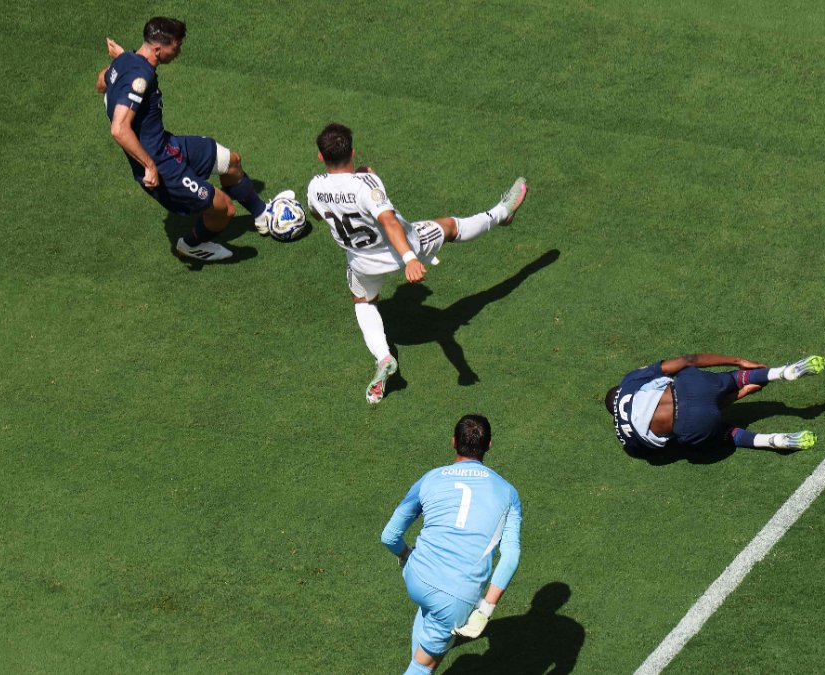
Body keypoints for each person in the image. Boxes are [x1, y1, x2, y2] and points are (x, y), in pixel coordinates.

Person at [306, 123, 527, 403]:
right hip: (403, 249)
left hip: (362, 263)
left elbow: (318, 213)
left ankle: (383, 357)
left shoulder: (315, 186)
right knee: (448, 227)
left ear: (320, 157)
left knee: (363, 302)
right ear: (352, 151)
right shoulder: (367, 184)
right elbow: (387, 220)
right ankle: (501, 214)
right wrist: (409, 259)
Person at [95, 17, 287, 261]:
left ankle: (262, 216)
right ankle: (191, 244)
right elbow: (119, 129)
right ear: (157, 49)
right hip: (163, 168)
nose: (178, 52)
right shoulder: (140, 75)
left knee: (231, 161)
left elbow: (102, 84)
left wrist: (121, 64)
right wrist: (150, 166)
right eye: (175, 47)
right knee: (225, 211)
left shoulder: (126, 60)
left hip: (169, 146)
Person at [381, 415, 522, 675]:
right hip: (454, 595)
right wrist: (485, 609)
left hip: (417, 574)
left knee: (430, 615)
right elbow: (510, 557)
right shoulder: (508, 493)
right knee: (421, 668)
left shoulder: (430, 478)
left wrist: (406, 554)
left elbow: (389, 536)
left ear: (454, 442)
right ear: (489, 445)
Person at [606, 353, 825, 453]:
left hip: (692, 425)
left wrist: (740, 396)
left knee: (721, 434)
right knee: (731, 379)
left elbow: (674, 440)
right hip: (689, 389)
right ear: (619, 391)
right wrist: (738, 361)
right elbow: (687, 361)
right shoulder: (629, 382)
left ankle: (771, 440)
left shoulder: (626, 440)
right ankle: (782, 372)